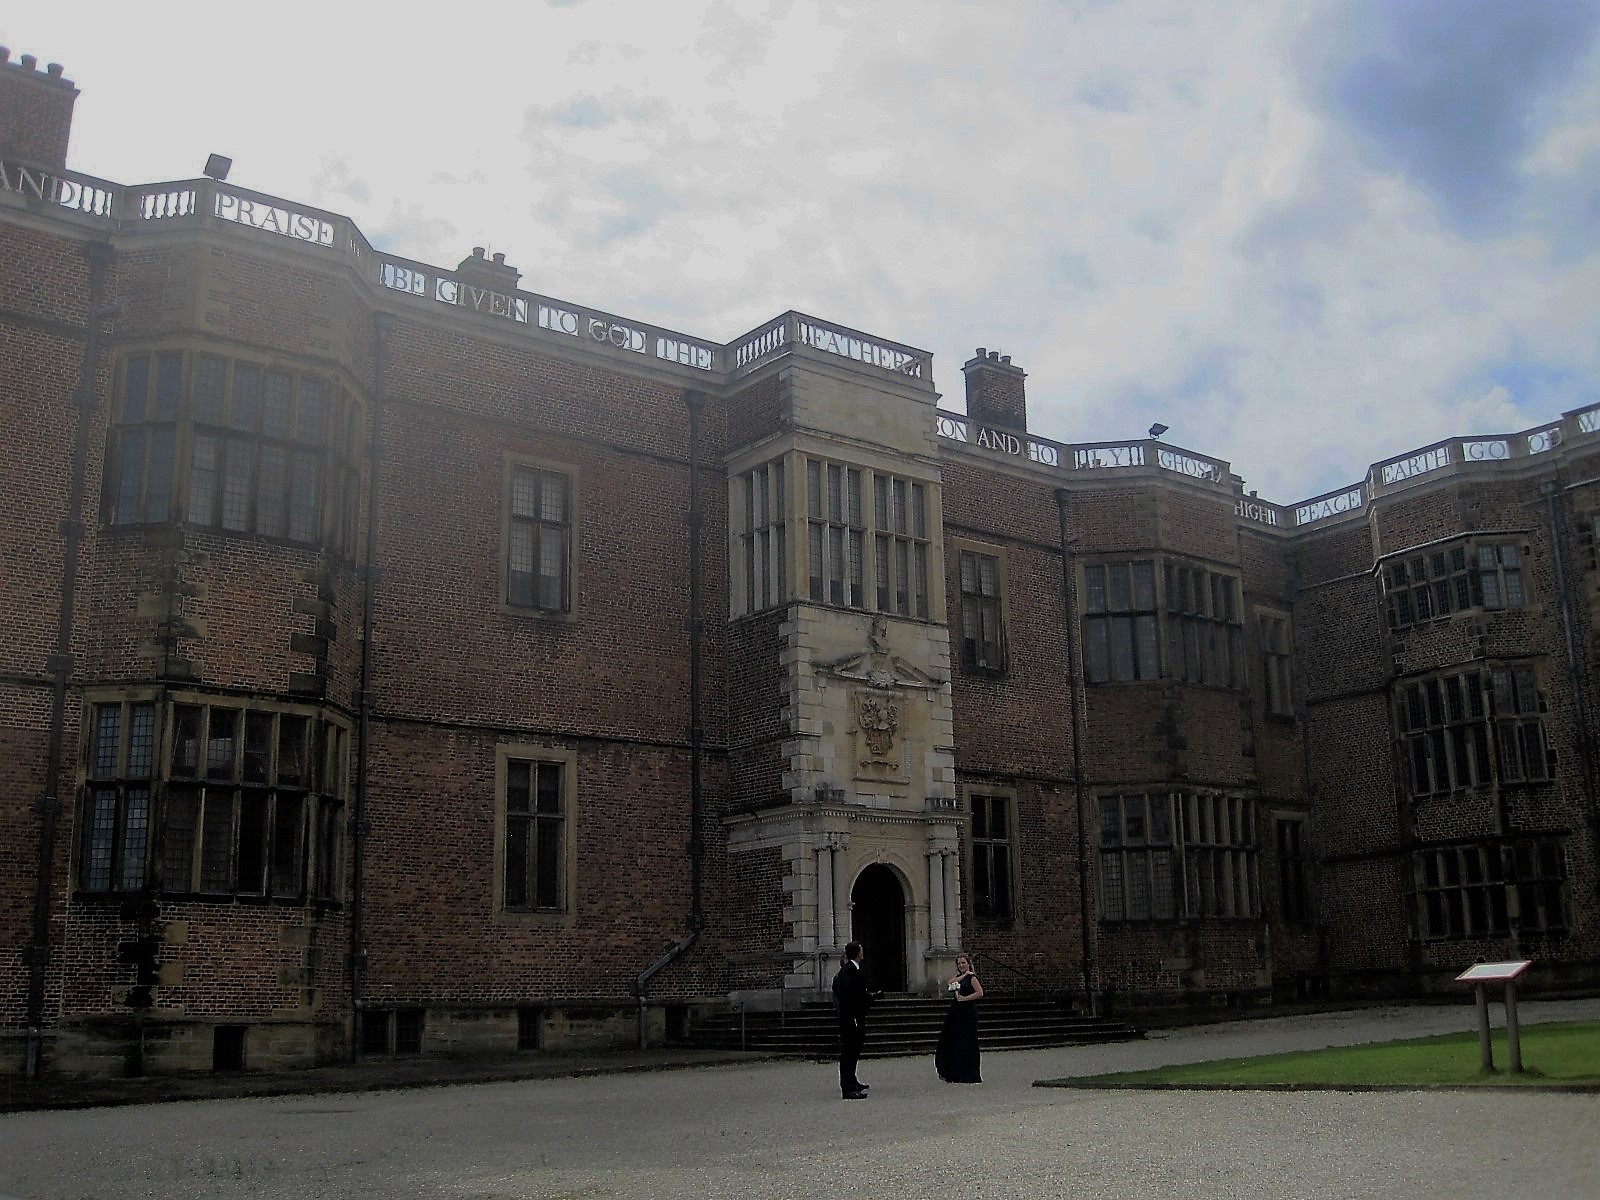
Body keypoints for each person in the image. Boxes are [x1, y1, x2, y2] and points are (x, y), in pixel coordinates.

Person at [831, 941, 880, 1099]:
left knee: (853, 1051)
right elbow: (852, 997)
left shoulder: (852, 970)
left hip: (853, 1016)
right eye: (861, 950)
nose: (863, 953)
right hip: (851, 1018)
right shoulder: (850, 971)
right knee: (849, 1052)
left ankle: (852, 1081)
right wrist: (869, 999)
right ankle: (848, 1088)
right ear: (858, 953)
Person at [934, 952, 984, 1083]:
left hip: (968, 1012)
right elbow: (950, 982)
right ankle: (955, 1071)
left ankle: (969, 1072)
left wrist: (964, 999)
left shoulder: (972, 978)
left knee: (968, 1041)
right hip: (957, 1012)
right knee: (955, 1040)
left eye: (963, 963)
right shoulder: (959, 977)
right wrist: (963, 976)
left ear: (968, 964)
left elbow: (980, 993)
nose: (961, 965)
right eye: (959, 963)